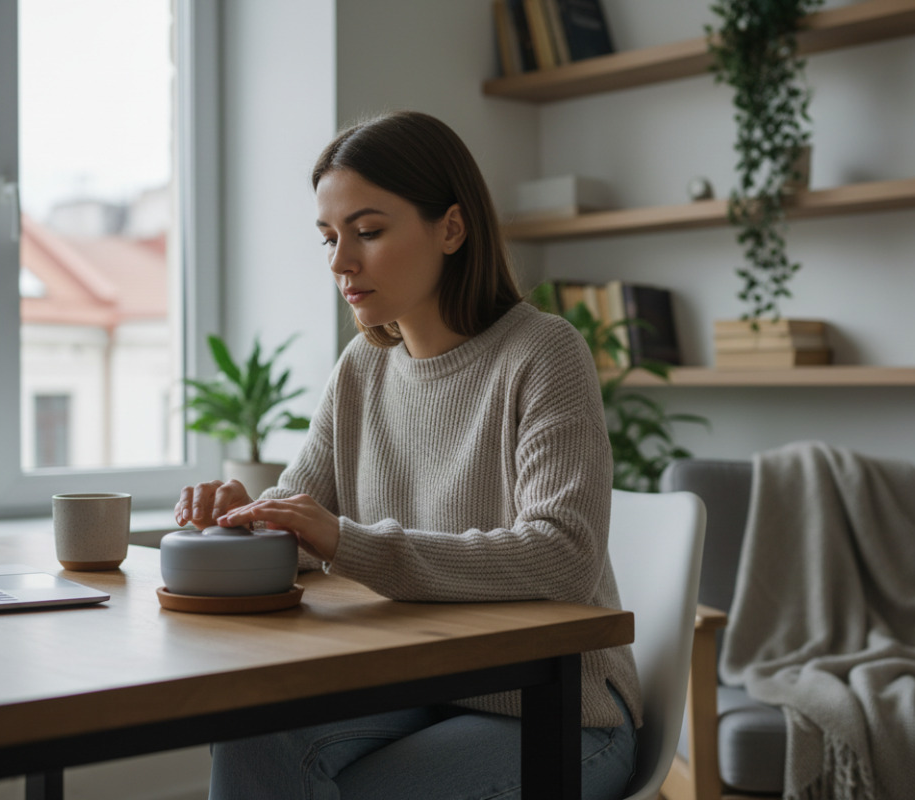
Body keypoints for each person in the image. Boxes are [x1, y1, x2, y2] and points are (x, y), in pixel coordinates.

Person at [174, 110, 641, 800]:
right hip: (417, 685)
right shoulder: (362, 366)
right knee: (251, 731)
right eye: (330, 238)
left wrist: (347, 541)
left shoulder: (543, 352)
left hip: (559, 714)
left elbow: (563, 557)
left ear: (451, 228)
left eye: (368, 231)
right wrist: (251, 521)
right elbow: (309, 531)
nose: (340, 262)